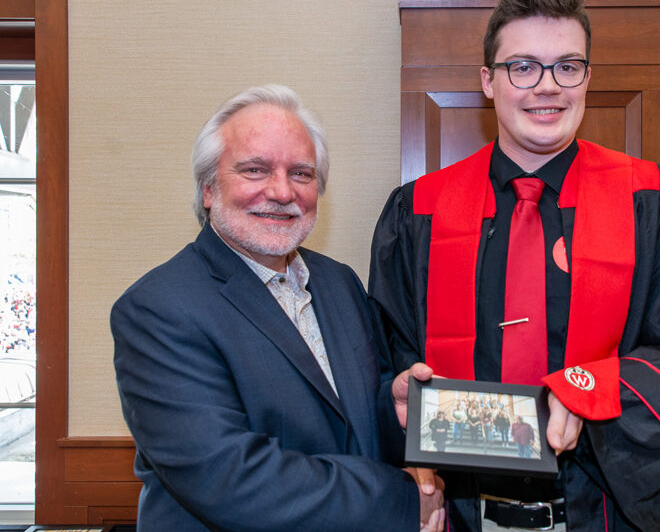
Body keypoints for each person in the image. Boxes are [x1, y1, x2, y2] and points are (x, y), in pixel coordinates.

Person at [369, 0, 660, 532]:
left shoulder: (657, 204)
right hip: (462, 515)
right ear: (488, 82)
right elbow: (387, 361)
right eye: (522, 67)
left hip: (607, 514)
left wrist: (585, 394)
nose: (547, 87)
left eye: (567, 66)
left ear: (587, 78)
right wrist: (392, 400)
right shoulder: (416, 214)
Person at [112, 84, 444, 532]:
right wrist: (402, 500)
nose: (283, 191)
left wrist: (393, 409)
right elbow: (231, 480)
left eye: (302, 174)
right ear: (209, 188)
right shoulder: (157, 309)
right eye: (255, 170)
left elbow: (348, 423)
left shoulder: (337, 282)